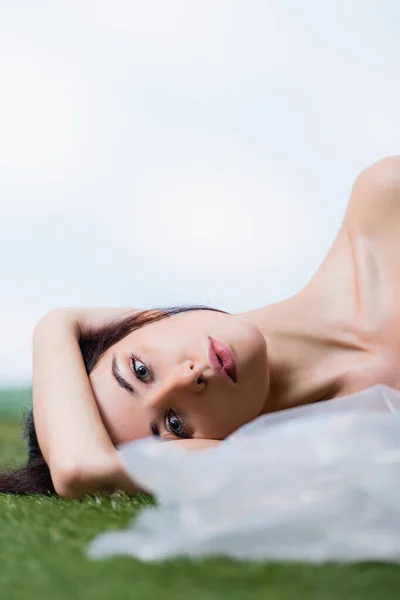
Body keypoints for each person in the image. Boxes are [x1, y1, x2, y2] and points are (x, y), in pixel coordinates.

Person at [2, 155, 400, 499]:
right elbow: (81, 470)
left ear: (141, 320)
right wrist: (57, 326)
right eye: (175, 425)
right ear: (202, 453)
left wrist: (54, 325)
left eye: (140, 370)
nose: (187, 380)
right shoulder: (354, 445)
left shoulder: (386, 205)